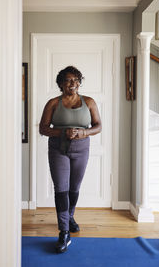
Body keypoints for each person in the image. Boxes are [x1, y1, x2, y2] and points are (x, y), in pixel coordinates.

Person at [39, 66, 102, 253]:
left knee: (74, 188)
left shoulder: (89, 102)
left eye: (76, 80)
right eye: (68, 80)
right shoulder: (52, 103)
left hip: (81, 149)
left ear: (79, 82)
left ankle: (70, 216)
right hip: (58, 149)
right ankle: (64, 231)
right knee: (61, 188)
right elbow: (43, 128)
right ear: (60, 84)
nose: (72, 83)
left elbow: (98, 126)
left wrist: (83, 132)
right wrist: (62, 132)